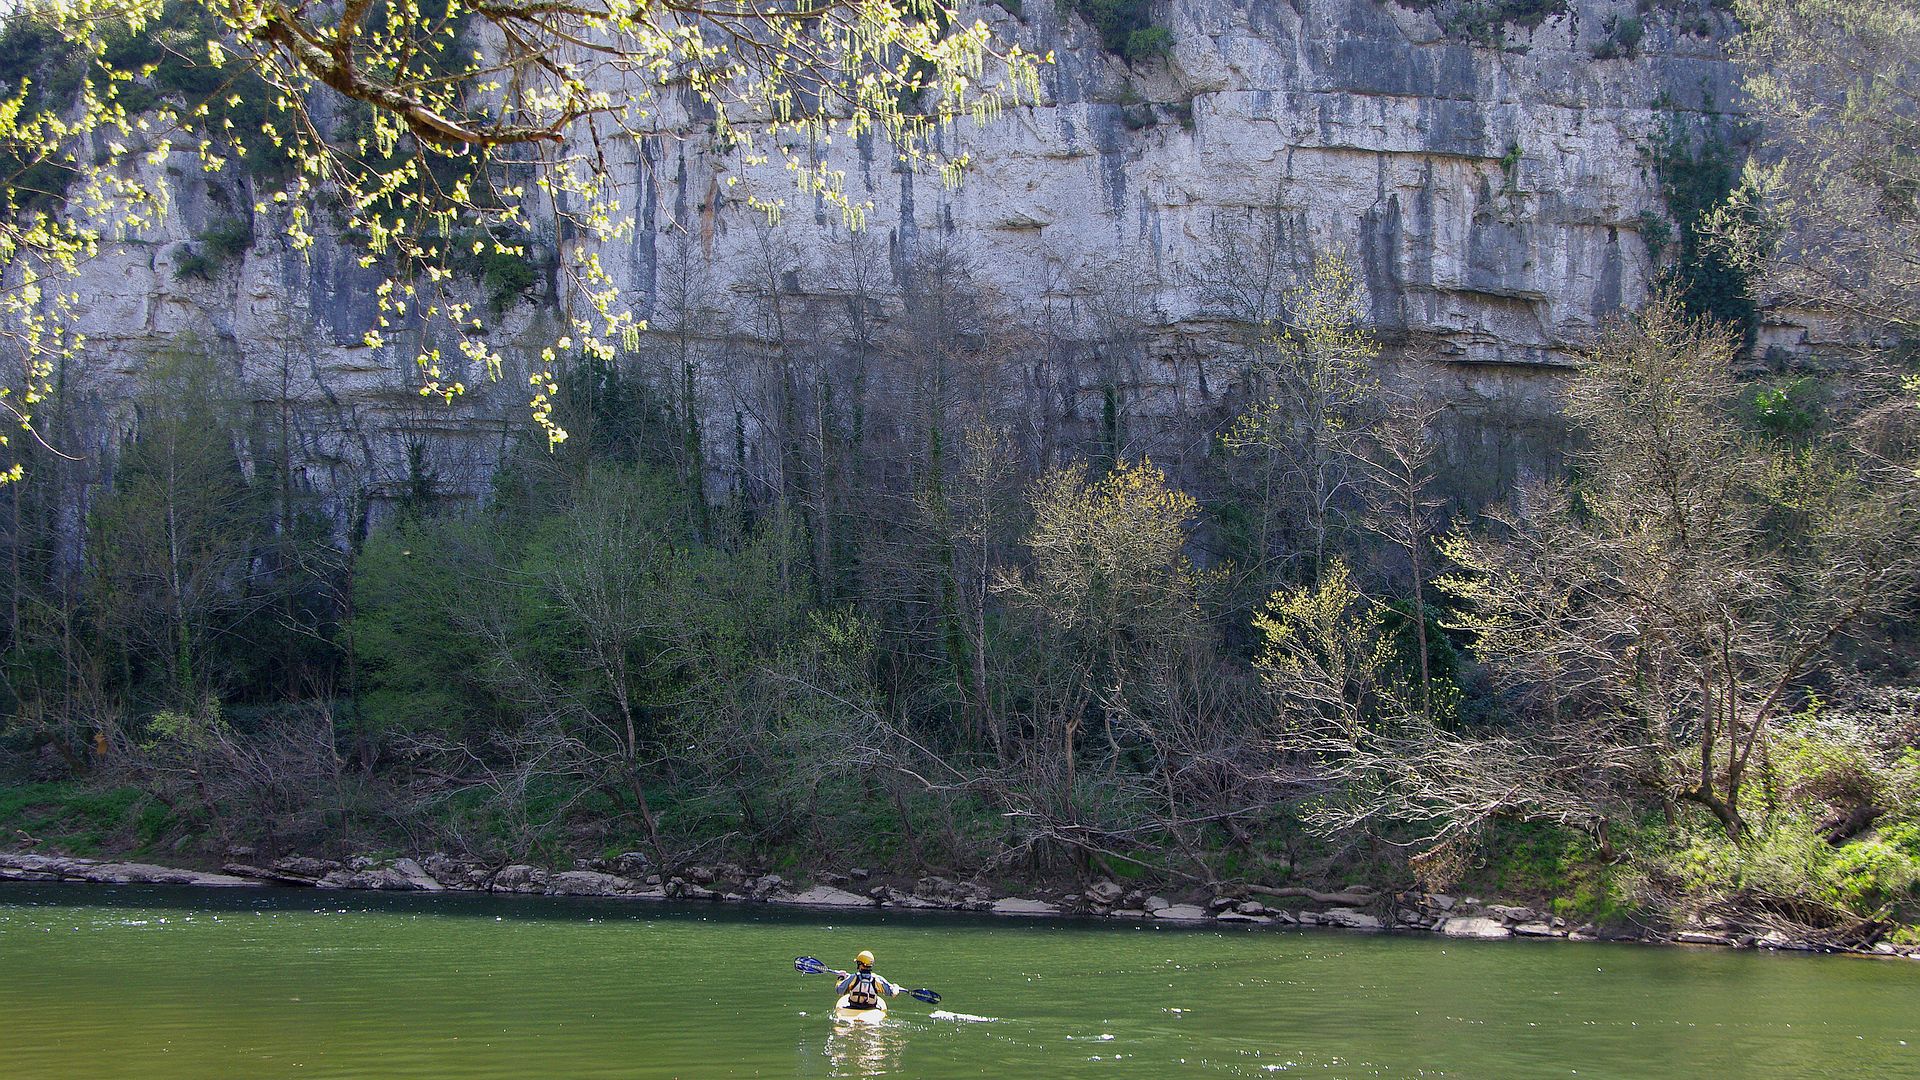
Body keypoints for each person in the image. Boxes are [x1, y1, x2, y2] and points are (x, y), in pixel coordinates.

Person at [834, 950, 900, 1011]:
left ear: (860, 964)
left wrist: (841, 978)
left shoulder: (853, 978)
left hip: (853, 1008)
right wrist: (895, 987)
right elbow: (893, 993)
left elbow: (839, 991)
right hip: (871, 1009)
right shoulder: (877, 979)